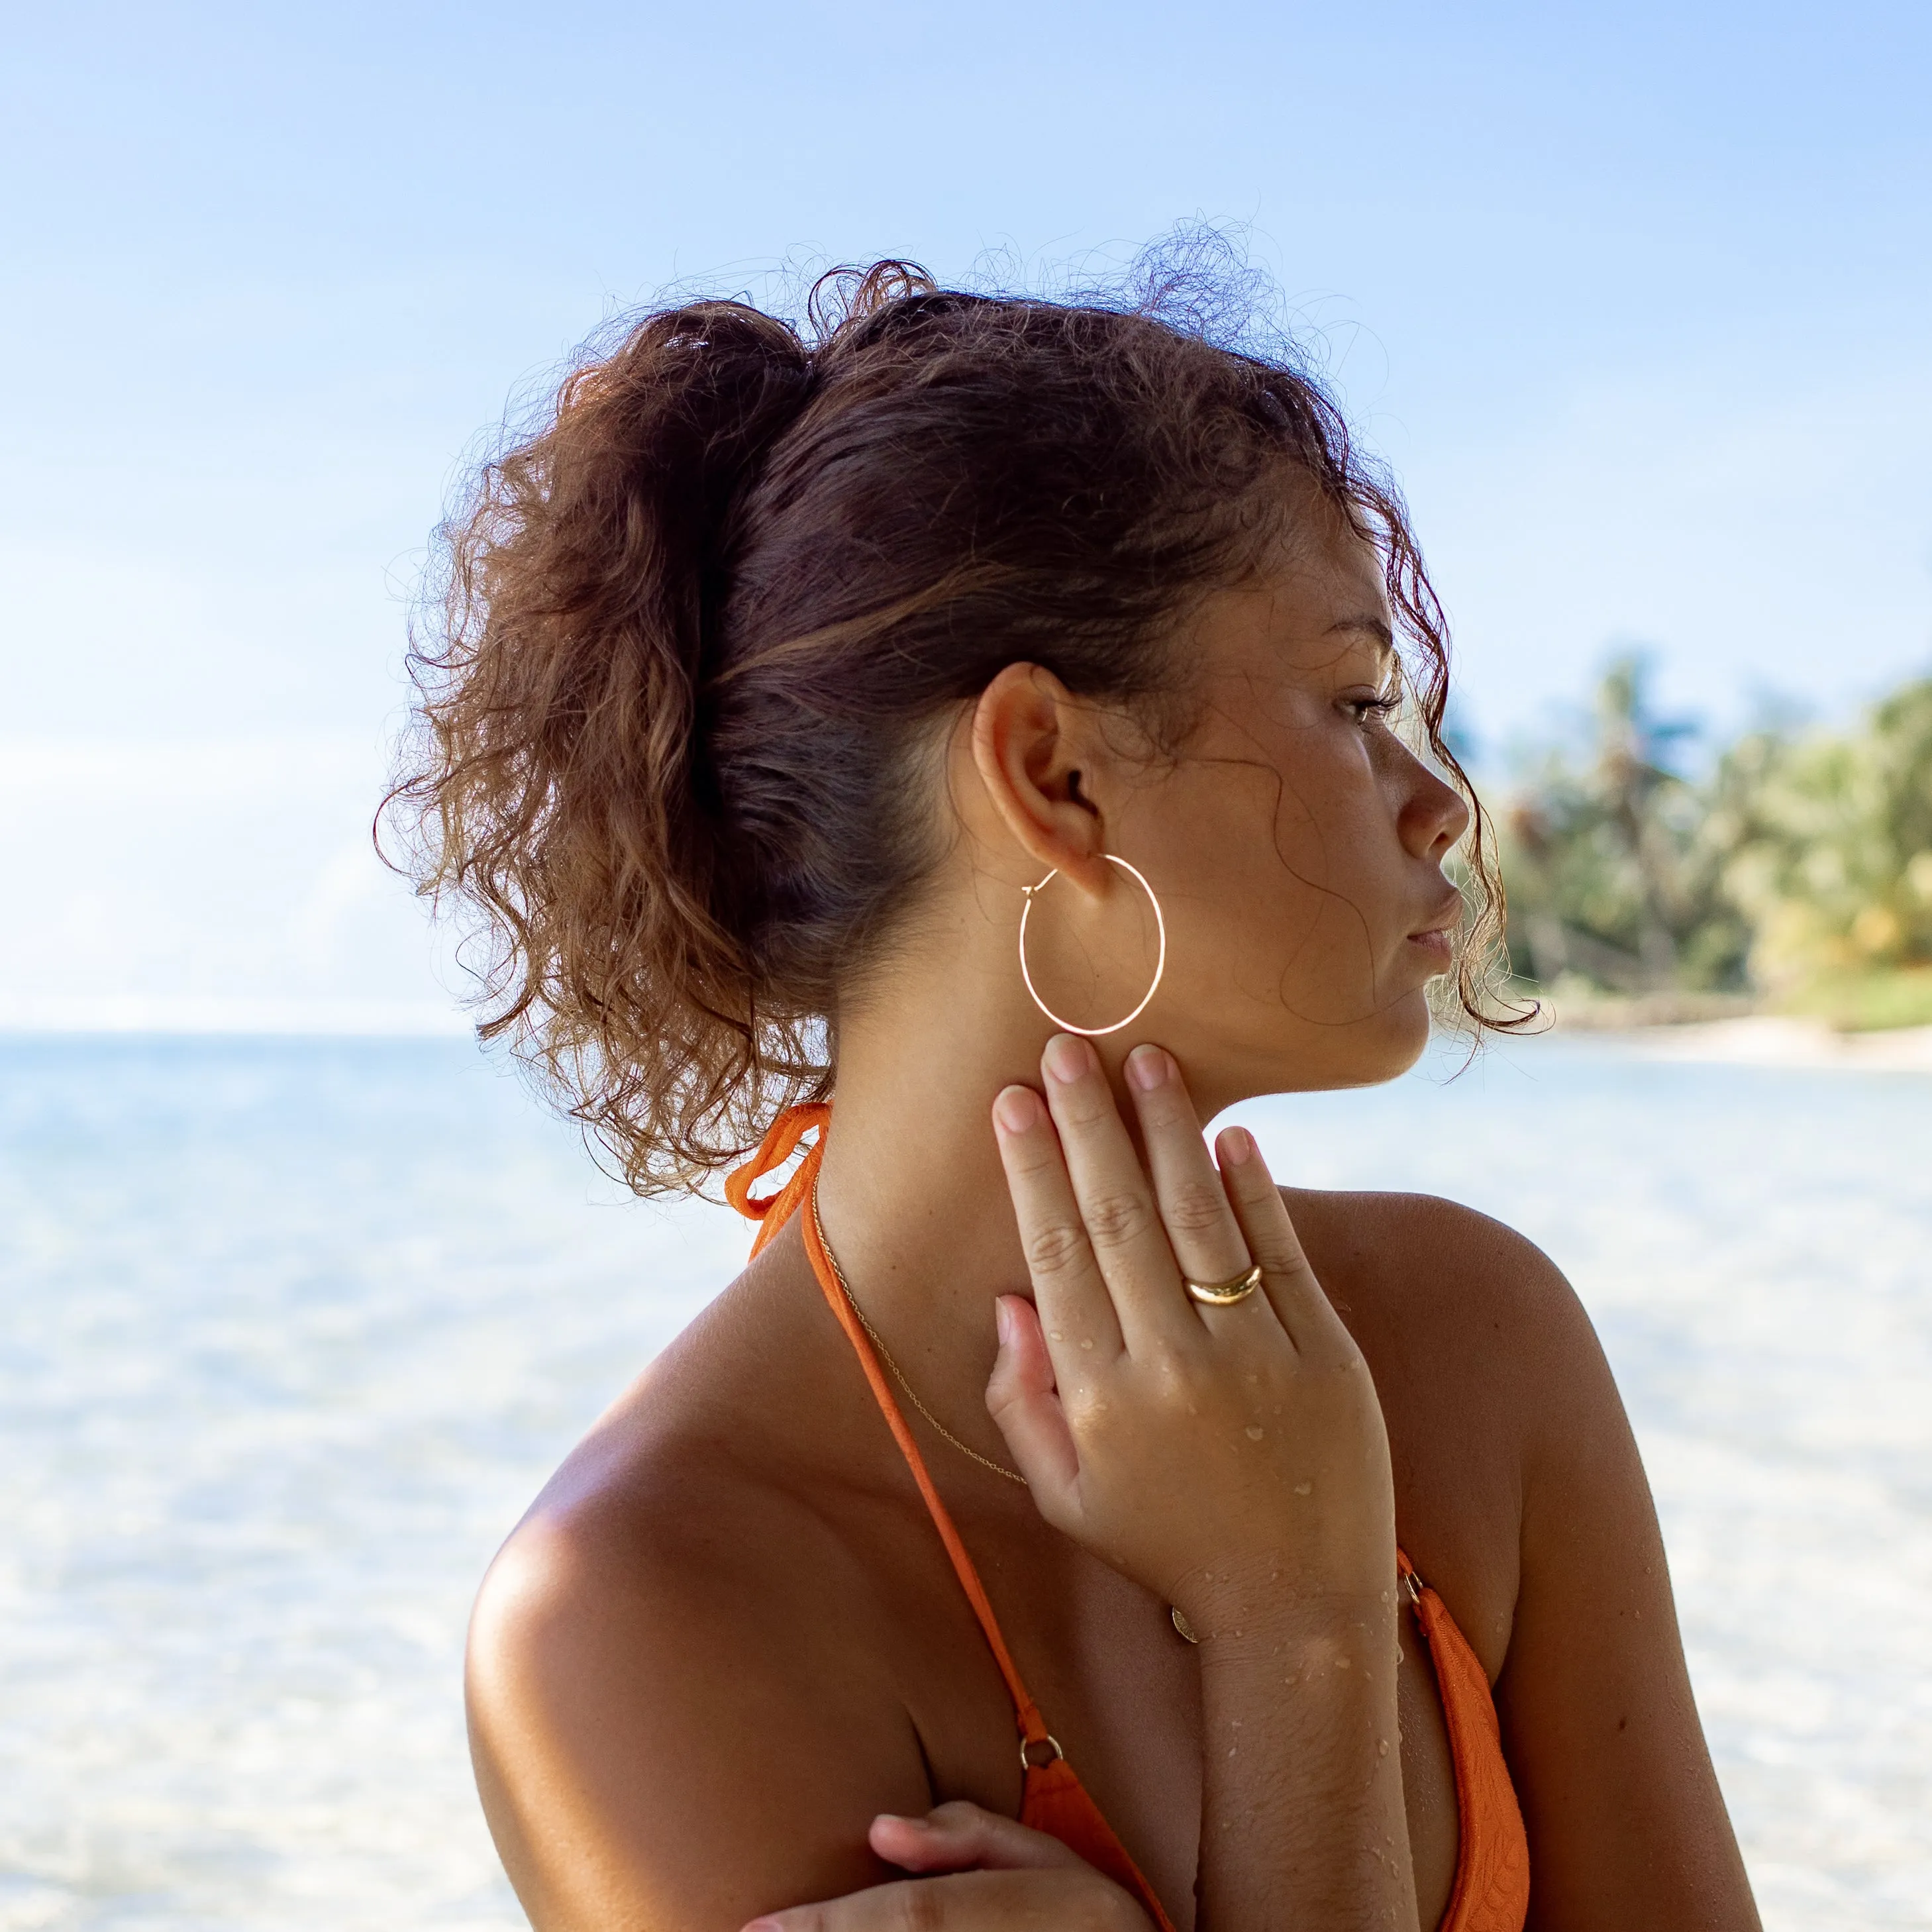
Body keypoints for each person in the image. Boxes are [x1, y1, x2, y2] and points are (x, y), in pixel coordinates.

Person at [388, 255, 1762, 1931]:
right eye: (1349, 702)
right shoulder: (639, 1617)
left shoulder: (1482, 1344)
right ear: (1054, 775)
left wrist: (1303, 1614)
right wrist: (1292, 1622)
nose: (1442, 808)